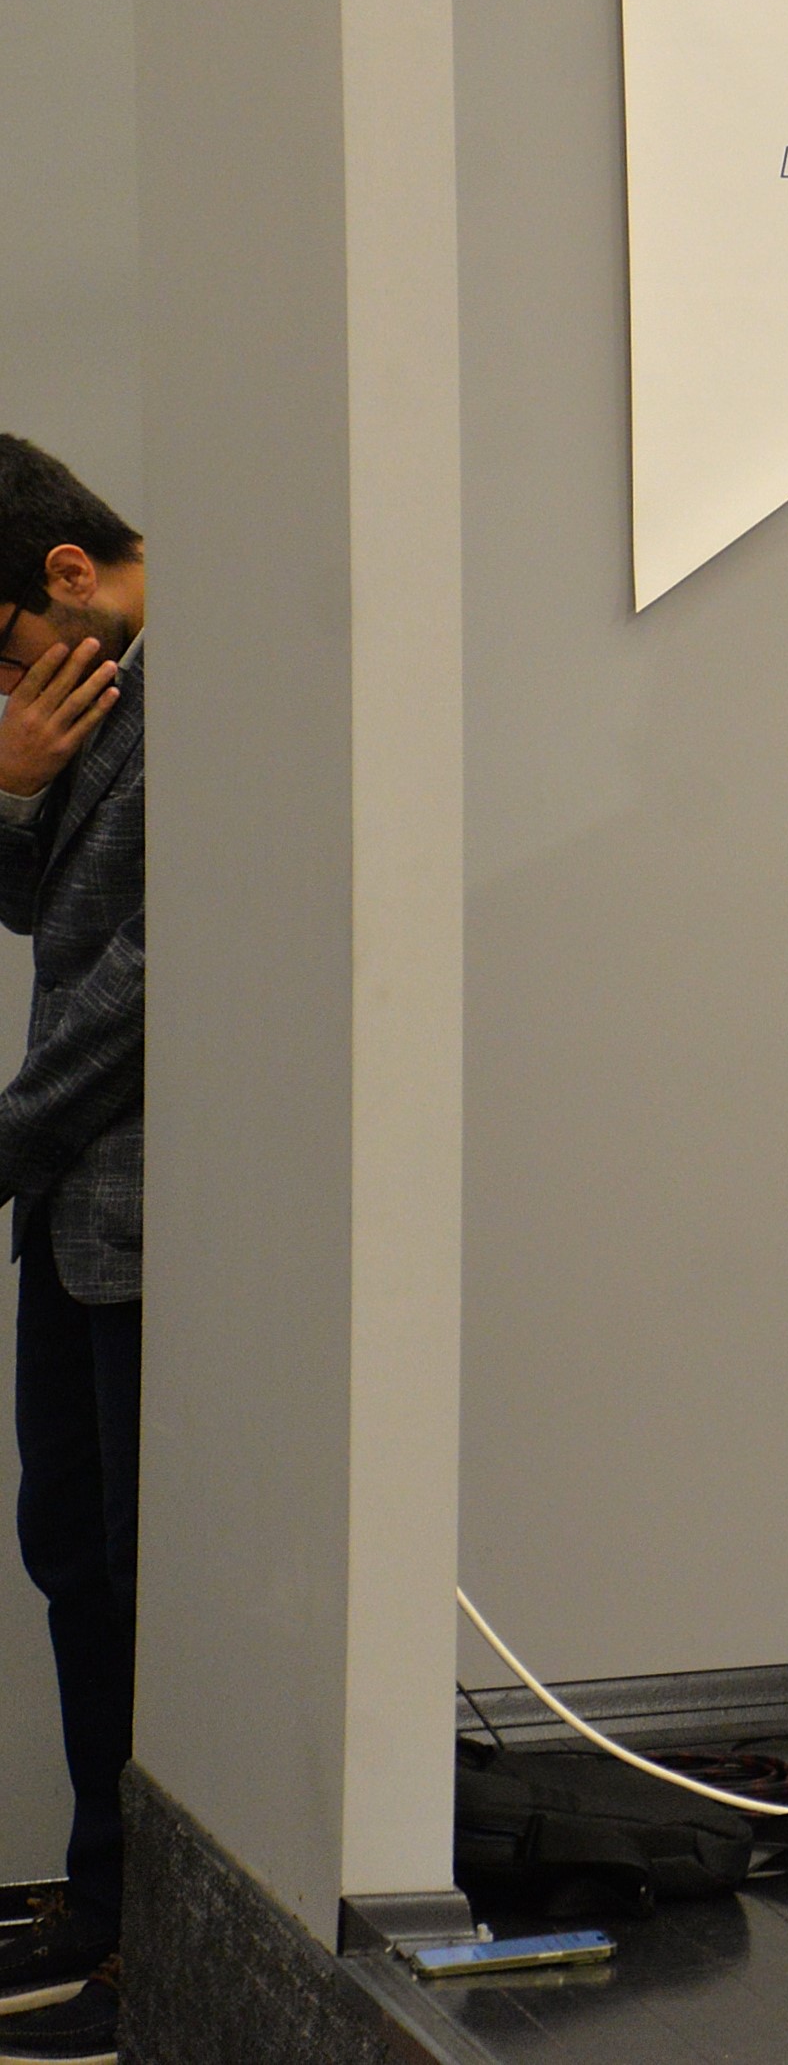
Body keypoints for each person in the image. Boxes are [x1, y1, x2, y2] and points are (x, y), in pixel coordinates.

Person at [0, 441, 143, 2065]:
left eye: (4, 651)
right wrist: (16, 784)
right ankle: (102, 1895)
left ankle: (153, 1942)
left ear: (64, 575)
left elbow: (149, 976)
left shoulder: (212, 692)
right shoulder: (92, 692)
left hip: (158, 1213)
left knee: (143, 1574)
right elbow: (45, 911)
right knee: (72, 1557)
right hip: (79, 1216)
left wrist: (5, 1140)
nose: (11, 684)